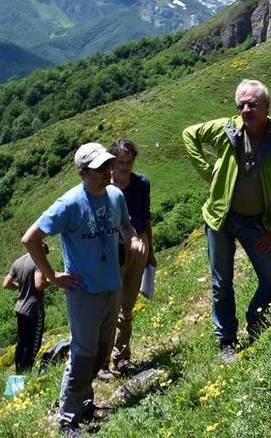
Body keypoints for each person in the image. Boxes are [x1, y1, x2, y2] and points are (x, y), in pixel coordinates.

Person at [21, 142, 146, 437]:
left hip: (111, 284)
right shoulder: (69, 204)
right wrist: (51, 276)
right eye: (99, 169)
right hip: (83, 291)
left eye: (108, 165)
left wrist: (133, 240)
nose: (107, 171)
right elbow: (30, 239)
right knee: (83, 352)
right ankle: (67, 418)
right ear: (82, 173)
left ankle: (85, 402)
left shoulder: (115, 195)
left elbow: (125, 226)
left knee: (102, 351)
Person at [182, 79, 271, 364]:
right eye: (241, 105)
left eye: (252, 104)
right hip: (220, 217)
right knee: (222, 283)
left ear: (267, 106)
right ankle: (227, 341)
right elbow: (189, 134)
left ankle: (255, 317)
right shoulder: (228, 129)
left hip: (256, 222)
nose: (246, 110)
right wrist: (207, 171)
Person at [98, 139, 157, 380]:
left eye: (129, 161)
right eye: (120, 162)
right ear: (112, 162)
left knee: (128, 304)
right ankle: (101, 363)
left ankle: (121, 356)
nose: (124, 167)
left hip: (138, 245)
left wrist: (150, 251)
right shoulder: (104, 187)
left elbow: (146, 218)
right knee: (109, 306)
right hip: (112, 248)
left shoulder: (141, 183)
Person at [2, 244, 50, 373]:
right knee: (34, 344)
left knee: (22, 342)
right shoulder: (38, 261)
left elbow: (6, 284)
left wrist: (21, 286)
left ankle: (18, 373)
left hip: (20, 308)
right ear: (41, 251)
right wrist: (53, 281)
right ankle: (27, 373)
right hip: (34, 309)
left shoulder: (18, 261)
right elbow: (39, 284)